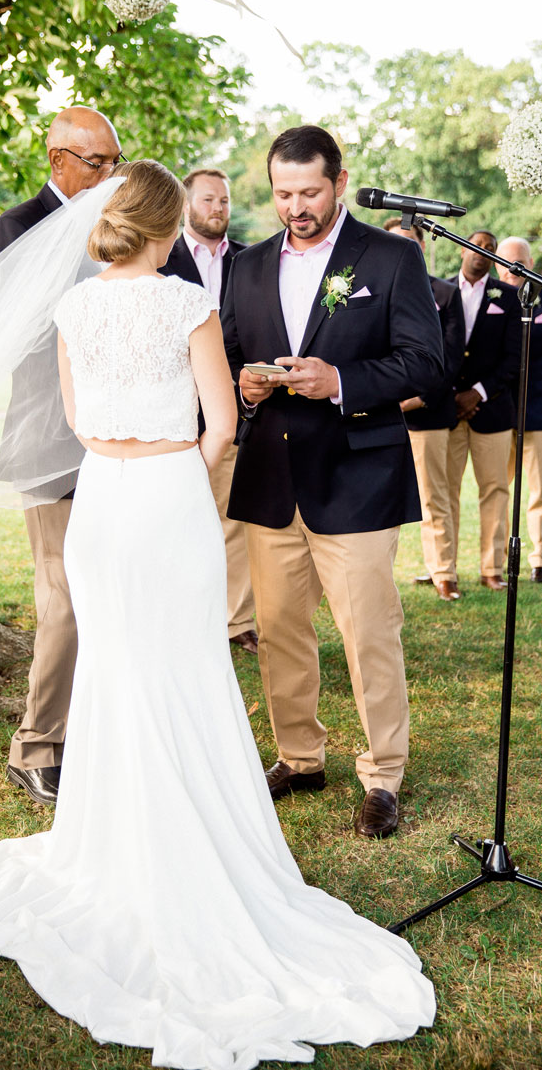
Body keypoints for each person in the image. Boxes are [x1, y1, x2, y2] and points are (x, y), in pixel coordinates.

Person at [0, 161, 435, 1067]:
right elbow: (220, 423)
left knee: (114, 667)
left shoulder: (72, 309)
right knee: (184, 665)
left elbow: (72, 415)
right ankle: (197, 832)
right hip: (168, 495)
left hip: (102, 498)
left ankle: (109, 837)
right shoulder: (185, 304)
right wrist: (186, 463)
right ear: (165, 227)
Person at [222, 126, 444, 839]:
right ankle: (298, 755)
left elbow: (424, 364)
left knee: (368, 633)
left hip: (356, 476)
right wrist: (247, 389)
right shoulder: (246, 266)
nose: (296, 206)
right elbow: (226, 358)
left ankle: (382, 773)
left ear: (339, 181)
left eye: (309, 191)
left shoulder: (390, 256)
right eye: (283, 193)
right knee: (280, 629)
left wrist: (341, 380)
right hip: (270, 478)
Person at [0, 106, 126, 807]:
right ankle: (35, 745)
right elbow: (13, 334)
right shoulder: (16, 227)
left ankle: (93, 731)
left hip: (125, 438)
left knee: (112, 589)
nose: (109, 174)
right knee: (64, 597)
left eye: (115, 161)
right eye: (96, 163)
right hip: (48, 439)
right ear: (57, 161)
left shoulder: (124, 219)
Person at [160, 167, 257, 654]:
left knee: (233, 520)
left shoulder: (251, 260)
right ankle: (182, 615)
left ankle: (236, 620)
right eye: (207, 201)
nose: (217, 209)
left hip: (240, 408)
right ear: (185, 205)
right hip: (175, 409)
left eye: (224, 201)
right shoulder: (160, 259)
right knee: (181, 521)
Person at [383, 218, 465, 602]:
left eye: (410, 242)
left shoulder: (446, 294)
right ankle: (380, 577)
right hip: (378, 415)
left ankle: (444, 572)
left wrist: (415, 398)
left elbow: (448, 359)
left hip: (427, 414)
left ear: (420, 246)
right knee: (380, 500)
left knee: (435, 497)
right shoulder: (369, 288)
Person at [446, 232, 522, 592]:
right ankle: (444, 572)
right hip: (447, 410)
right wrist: (453, 396)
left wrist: (476, 394)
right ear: (462, 248)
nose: (484, 253)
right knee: (446, 492)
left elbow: (513, 359)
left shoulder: (507, 298)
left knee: (494, 489)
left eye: (491, 250)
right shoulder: (440, 291)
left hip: (491, 409)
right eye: (478, 246)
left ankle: (492, 569)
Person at [496, 237, 542, 583]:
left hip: (538, 411)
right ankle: (493, 564)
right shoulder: (491, 299)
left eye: (519, 263)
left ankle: (539, 559)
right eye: (506, 263)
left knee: (539, 490)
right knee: (497, 490)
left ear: (530, 262)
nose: (512, 270)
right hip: (497, 413)